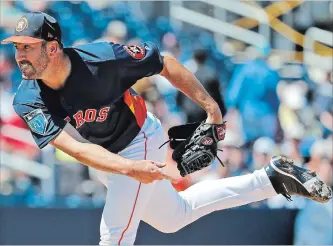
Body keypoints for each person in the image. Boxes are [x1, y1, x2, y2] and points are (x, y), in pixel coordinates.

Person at [2, 12, 331, 245]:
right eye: (16, 47)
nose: (19, 55)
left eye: (27, 47)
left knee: (114, 236)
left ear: (53, 48)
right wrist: (130, 169)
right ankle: (271, 179)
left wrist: (211, 108)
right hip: (110, 157)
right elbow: (76, 149)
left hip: (140, 138)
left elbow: (164, 64)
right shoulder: (27, 98)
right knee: (175, 217)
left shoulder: (101, 59)